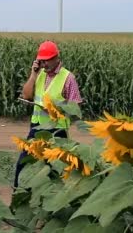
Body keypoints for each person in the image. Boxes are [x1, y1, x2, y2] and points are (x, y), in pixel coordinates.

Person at [13, 40, 82, 188]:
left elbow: (76, 107)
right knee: (23, 164)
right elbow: (26, 95)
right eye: (41, 61)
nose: (44, 64)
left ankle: (51, 205)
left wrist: (55, 109)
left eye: (47, 60)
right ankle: (18, 195)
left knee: (54, 169)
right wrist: (33, 74)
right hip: (36, 128)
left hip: (57, 131)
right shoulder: (40, 74)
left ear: (56, 57)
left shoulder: (68, 78)